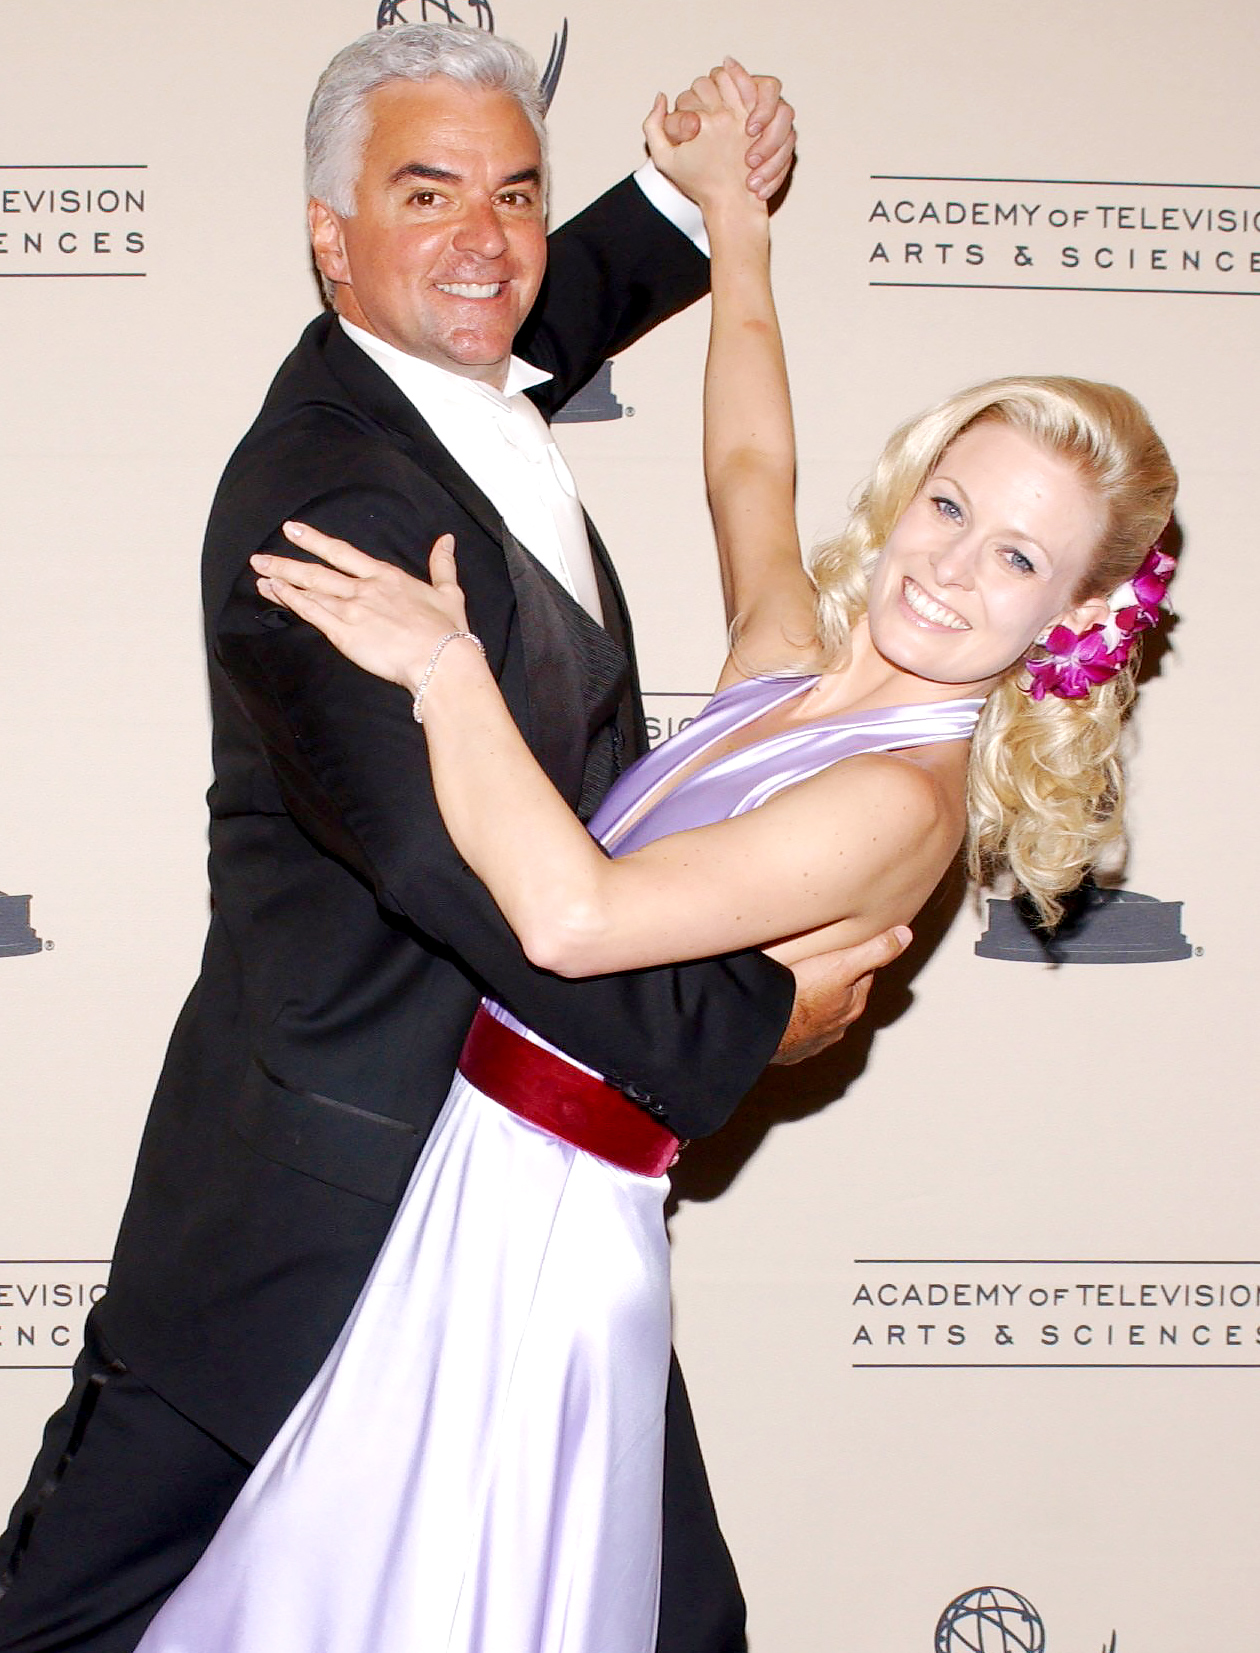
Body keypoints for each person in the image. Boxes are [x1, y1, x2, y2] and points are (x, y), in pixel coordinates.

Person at [132, 68, 1179, 1653]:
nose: (953, 566)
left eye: (1017, 555)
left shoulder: (902, 801)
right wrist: (734, 218)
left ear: (1073, 619)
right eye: (951, 505)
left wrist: (445, 666)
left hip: (536, 1248)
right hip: (454, 1185)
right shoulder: (792, 662)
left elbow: (570, 915)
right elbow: (752, 470)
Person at [0, 27, 898, 1653]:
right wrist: (761, 1019)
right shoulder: (327, 507)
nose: (485, 238)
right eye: (426, 194)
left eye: (517, 192)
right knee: (75, 1615)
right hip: (317, 1222)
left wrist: (695, 196)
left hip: (521, 1196)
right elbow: (458, 876)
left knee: (667, 1613)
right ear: (329, 239)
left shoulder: (441, 380)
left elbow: (519, 302)